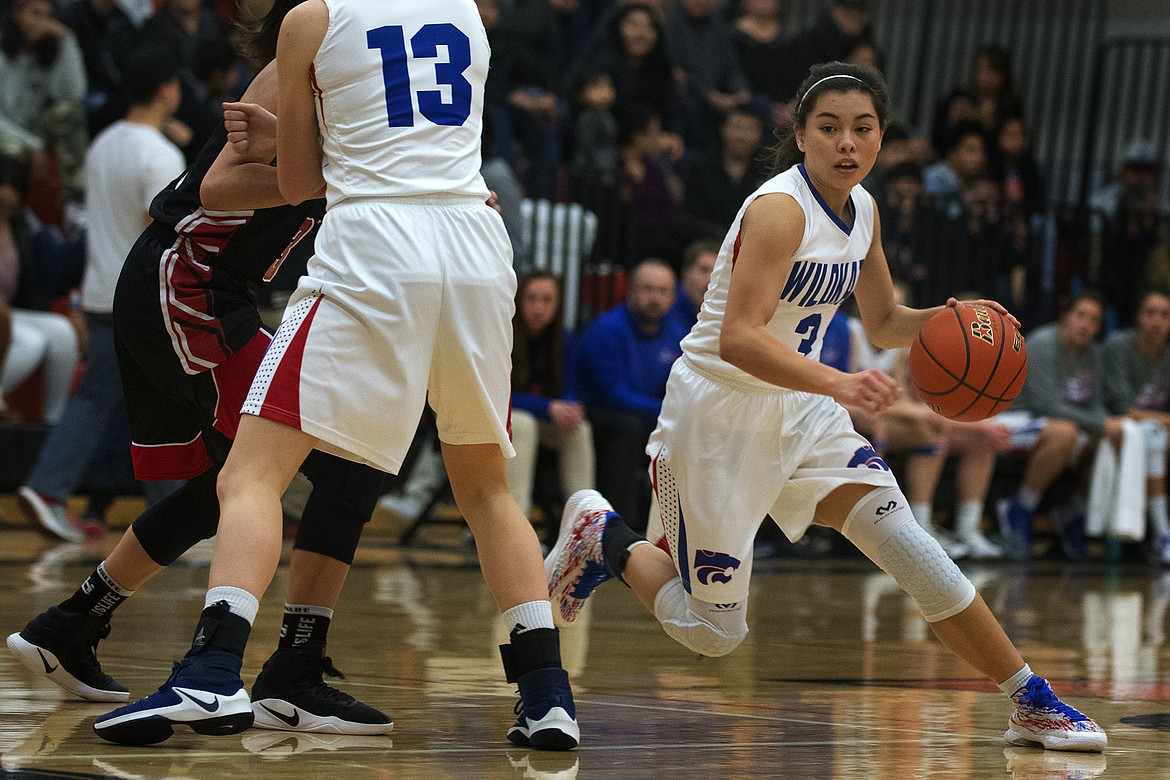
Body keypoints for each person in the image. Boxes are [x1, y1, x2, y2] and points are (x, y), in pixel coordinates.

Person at [545, 62, 1106, 753]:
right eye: (830, 128)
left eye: (862, 129)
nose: (847, 142)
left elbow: (883, 321)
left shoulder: (862, 209)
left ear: (881, 138)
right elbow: (739, 338)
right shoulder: (778, 209)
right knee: (714, 634)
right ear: (802, 137)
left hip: (805, 413)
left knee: (912, 550)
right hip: (721, 414)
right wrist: (841, 384)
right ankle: (603, 535)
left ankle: (1030, 699)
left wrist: (951, 318)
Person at [94, 0, 579, 752]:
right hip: (477, 248)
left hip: (377, 248)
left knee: (250, 475)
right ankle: (548, 695)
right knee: (485, 488)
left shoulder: (310, 20)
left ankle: (213, 670)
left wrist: (287, 139)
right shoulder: (468, 15)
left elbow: (298, 184)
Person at [7, 1, 391, 737]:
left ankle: (70, 625)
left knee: (230, 484)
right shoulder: (290, 71)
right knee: (319, 466)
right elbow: (219, 189)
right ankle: (279, 672)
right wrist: (339, 177)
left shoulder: (346, 73)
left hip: (218, 286)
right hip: (189, 278)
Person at [16, 44, 186, 543]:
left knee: (131, 404)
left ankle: (167, 518)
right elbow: (159, 234)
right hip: (139, 299)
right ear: (165, 90)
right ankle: (51, 490)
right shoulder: (159, 154)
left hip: (98, 293)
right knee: (163, 408)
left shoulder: (104, 143)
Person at [997, 290, 1124, 561]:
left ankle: (1071, 512)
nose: (1086, 324)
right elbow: (1046, 405)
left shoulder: (1095, 354)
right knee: (1066, 434)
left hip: (1060, 425)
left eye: (1094, 320)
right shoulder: (1043, 342)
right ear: (1066, 316)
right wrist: (1103, 423)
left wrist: (1110, 425)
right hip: (1016, 419)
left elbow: (1096, 404)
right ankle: (1019, 508)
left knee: (1108, 440)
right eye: (1081, 315)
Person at [576, 257, 685, 527]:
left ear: (673, 297)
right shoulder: (608, 329)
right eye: (647, 289)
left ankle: (682, 530)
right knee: (629, 429)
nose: (655, 298)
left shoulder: (676, 333)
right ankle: (620, 528)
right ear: (631, 290)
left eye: (663, 291)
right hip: (598, 415)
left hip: (647, 415)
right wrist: (667, 412)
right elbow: (614, 394)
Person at [506, 270, 594, 523]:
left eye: (547, 301)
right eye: (531, 299)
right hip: (500, 422)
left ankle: (586, 523)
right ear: (517, 300)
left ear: (558, 305)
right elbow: (498, 396)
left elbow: (572, 389)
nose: (538, 308)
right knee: (522, 424)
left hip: (539, 419)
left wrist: (569, 407)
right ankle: (516, 522)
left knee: (579, 428)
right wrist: (548, 407)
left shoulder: (564, 338)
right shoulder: (504, 334)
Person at [1100, 288, 1170, 564]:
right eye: (1150, 313)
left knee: (1156, 436)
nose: (1157, 321)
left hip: (1155, 429)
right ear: (1138, 317)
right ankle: (1163, 533)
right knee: (1152, 437)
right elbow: (1123, 409)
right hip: (1113, 428)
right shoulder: (1118, 345)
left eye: (1165, 315)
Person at [667, 238, 717, 332]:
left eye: (716, 274)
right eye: (704, 270)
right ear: (685, 272)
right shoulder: (663, 308)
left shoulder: (718, 315)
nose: (709, 281)